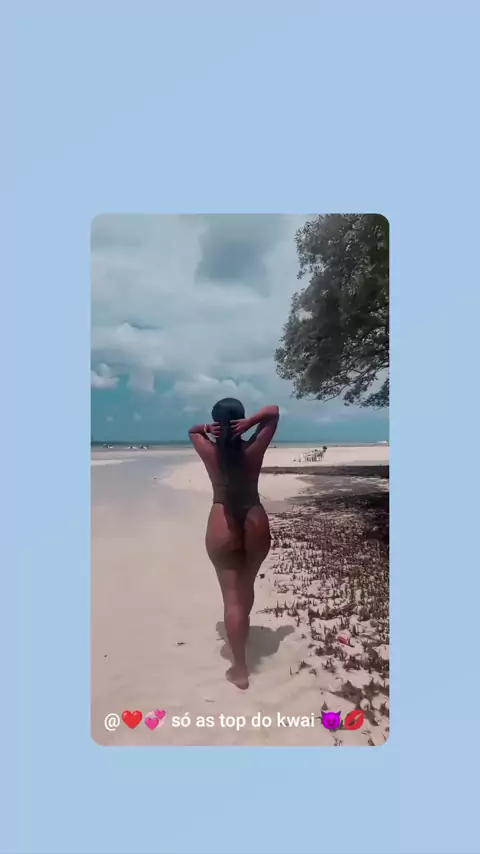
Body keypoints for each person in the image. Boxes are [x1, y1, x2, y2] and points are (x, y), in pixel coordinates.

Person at [188, 398, 279, 689]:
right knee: (246, 585)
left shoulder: (209, 452)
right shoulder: (253, 449)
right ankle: (243, 627)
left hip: (222, 521)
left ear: (216, 423)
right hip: (253, 517)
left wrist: (207, 428)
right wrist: (252, 422)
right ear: (241, 420)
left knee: (231, 597)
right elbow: (273, 412)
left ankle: (240, 669)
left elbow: (192, 431)